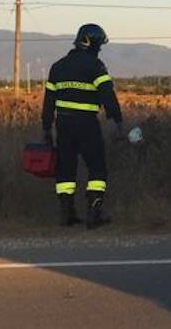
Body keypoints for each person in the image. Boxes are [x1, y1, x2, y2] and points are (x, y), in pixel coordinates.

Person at [42, 23, 123, 228]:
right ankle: (94, 213)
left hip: (63, 125)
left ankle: (66, 213)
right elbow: (108, 95)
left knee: (65, 170)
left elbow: (48, 101)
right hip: (87, 125)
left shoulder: (57, 66)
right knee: (97, 167)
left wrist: (46, 128)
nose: (100, 49)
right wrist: (117, 120)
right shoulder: (95, 66)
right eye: (99, 45)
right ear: (92, 43)